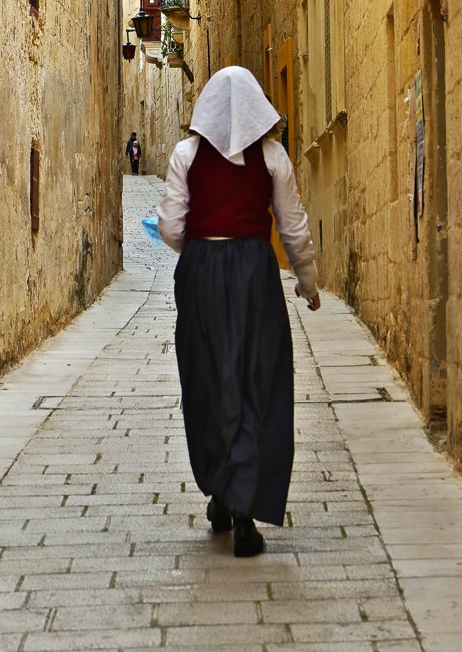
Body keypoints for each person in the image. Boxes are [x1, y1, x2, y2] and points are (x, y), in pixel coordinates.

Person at [157, 66, 320, 558]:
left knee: (208, 380)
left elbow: (168, 227)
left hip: (203, 274)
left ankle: (222, 496)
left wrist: (202, 250)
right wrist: (307, 281)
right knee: (257, 380)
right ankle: (245, 509)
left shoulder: (186, 156)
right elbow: (292, 228)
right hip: (254, 274)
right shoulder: (272, 157)